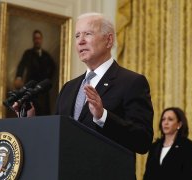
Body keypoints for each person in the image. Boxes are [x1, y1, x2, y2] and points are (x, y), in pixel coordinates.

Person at [54, 12, 154, 154]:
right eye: (77, 35)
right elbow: (57, 135)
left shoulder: (132, 82)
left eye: (88, 34)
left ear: (108, 40)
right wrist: (30, 118)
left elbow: (142, 141)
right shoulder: (68, 88)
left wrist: (102, 116)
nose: (80, 41)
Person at [143, 107, 192, 180]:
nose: (166, 123)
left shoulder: (187, 146)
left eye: (170, 119)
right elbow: (147, 175)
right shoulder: (154, 146)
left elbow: (188, 175)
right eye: (163, 119)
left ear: (179, 124)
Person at [14, 30, 56, 115]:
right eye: (35, 38)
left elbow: (53, 68)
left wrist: (47, 80)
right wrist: (19, 77)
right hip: (31, 87)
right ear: (33, 40)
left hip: (43, 90)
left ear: (41, 39)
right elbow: (21, 65)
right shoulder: (28, 53)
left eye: (39, 38)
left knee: (43, 113)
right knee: (30, 111)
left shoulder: (46, 55)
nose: (37, 40)